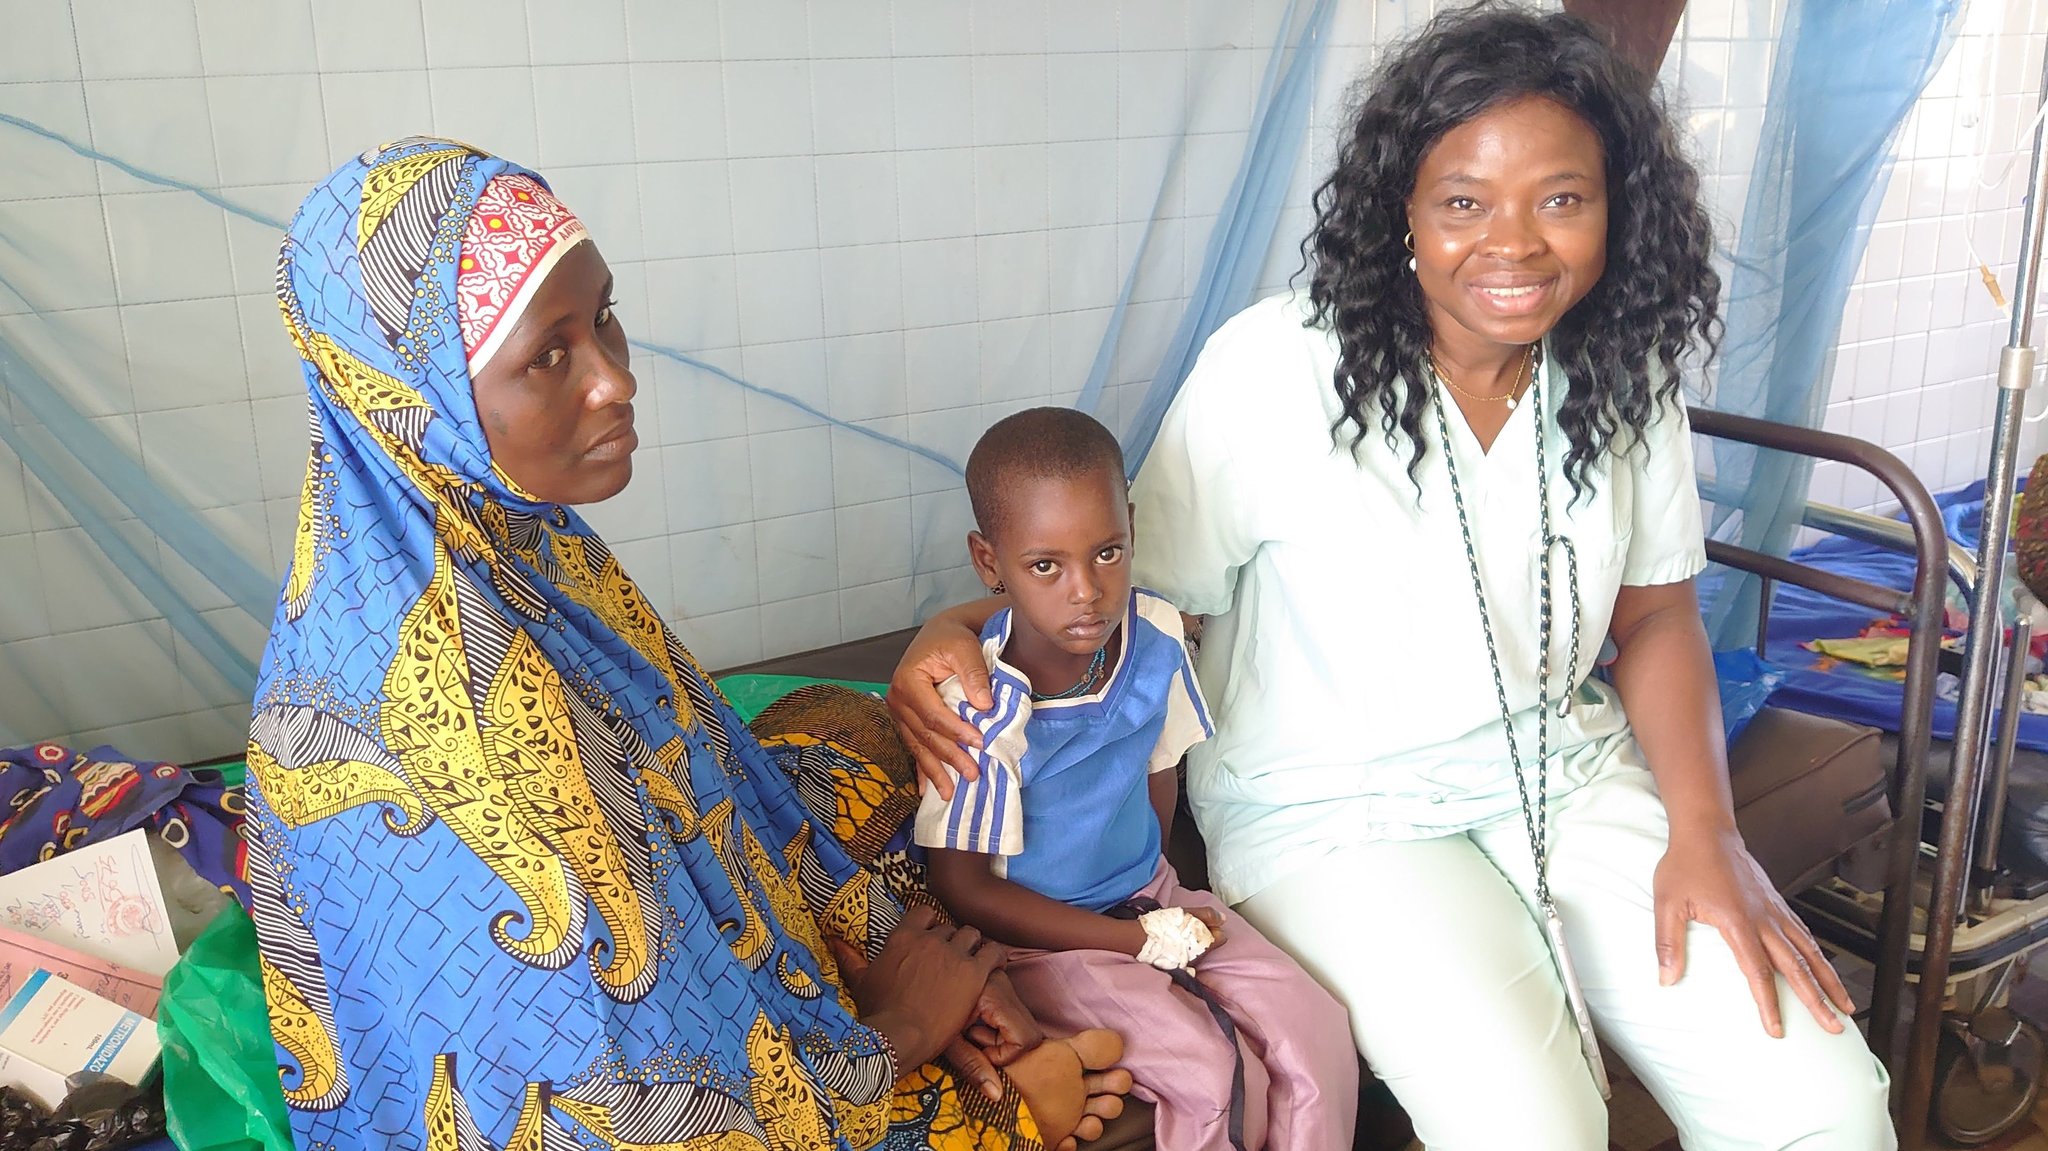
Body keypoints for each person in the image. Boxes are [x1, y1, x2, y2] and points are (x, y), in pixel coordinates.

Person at [887, 7, 1897, 1149]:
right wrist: (947, 624)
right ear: (1400, 212)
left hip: (1558, 772)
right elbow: (1123, 592)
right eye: (1462, 199)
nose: (1510, 243)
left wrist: (1704, 831)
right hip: (1328, 811)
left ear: (1617, 205)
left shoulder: (1621, 374)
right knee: (1532, 1126)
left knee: (1822, 1103)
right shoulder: (1272, 368)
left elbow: (1657, 613)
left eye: (1559, 198)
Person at [243, 139, 1130, 1151]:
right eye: (550, 353)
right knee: (1008, 1104)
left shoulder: (482, 537)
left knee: (840, 725)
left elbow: (710, 775)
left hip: (644, 955)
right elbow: (633, 1110)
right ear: (417, 390)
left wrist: (899, 948)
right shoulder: (483, 739)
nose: (614, 378)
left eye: (602, 319)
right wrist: (906, 1030)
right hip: (614, 1103)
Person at [913, 408, 1358, 1151]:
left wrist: (1169, 905)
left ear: (1131, 530)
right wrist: (1130, 941)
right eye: (1045, 565)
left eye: (1108, 552)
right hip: (1042, 945)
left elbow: (1158, 773)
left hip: (1151, 898)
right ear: (989, 562)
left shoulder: (1153, 639)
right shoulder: (980, 707)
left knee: (1315, 1026)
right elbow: (966, 889)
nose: (1086, 589)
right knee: (1211, 1067)